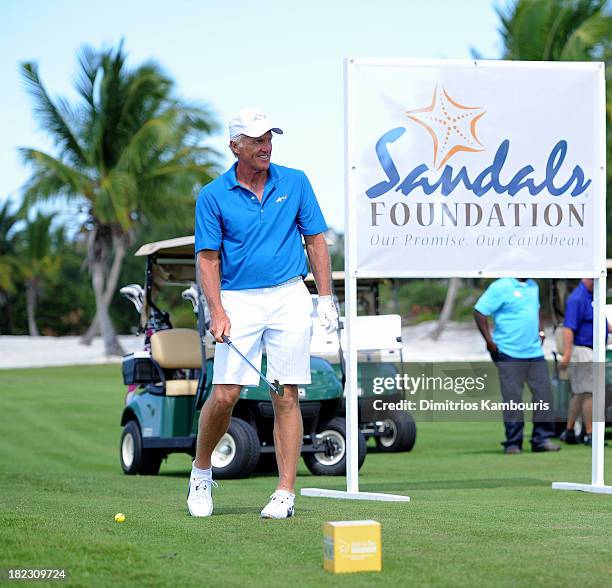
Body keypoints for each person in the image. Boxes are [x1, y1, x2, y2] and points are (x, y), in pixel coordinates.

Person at [188, 107, 338, 519]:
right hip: (238, 298)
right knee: (226, 394)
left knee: (286, 393)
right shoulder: (213, 195)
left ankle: (285, 493)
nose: (265, 146)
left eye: (269, 138)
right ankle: (201, 474)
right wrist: (216, 310)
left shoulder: (296, 181)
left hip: (290, 293)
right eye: (256, 140)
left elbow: (316, 242)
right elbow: (207, 259)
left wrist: (324, 298)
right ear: (234, 145)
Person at [474, 278, 560, 454]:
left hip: (534, 352)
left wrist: (541, 331)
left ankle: (541, 439)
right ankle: (513, 442)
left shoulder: (532, 286)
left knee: (544, 395)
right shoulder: (501, 286)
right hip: (508, 352)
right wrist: (489, 341)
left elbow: (535, 310)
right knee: (513, 399)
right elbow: (479, 311)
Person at [558, 278, 607, 446]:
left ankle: (570, 431)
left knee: (579, 393)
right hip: (582, 351)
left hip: (593, 350)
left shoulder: (594, 296)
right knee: (589, 392)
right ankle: (590, 434)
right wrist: (567, 354)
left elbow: (604, 325)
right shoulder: (577, 298)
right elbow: (568, 328)